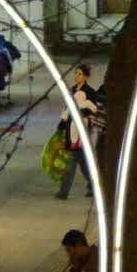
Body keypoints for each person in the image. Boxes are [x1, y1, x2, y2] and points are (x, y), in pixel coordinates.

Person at [56, 65, 98, 200]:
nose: (77, 76)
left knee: (72, 162)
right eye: (76, 73)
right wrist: (62, 123)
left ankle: (63, 192)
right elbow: (68, 108)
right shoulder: (72, 90)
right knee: (83, 162)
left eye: (79, 74)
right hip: (71, 129)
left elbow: (93, 110)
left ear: (85, 76)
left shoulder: (90, 92)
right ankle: (94, 185)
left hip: (82, 132)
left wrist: (80, 112)